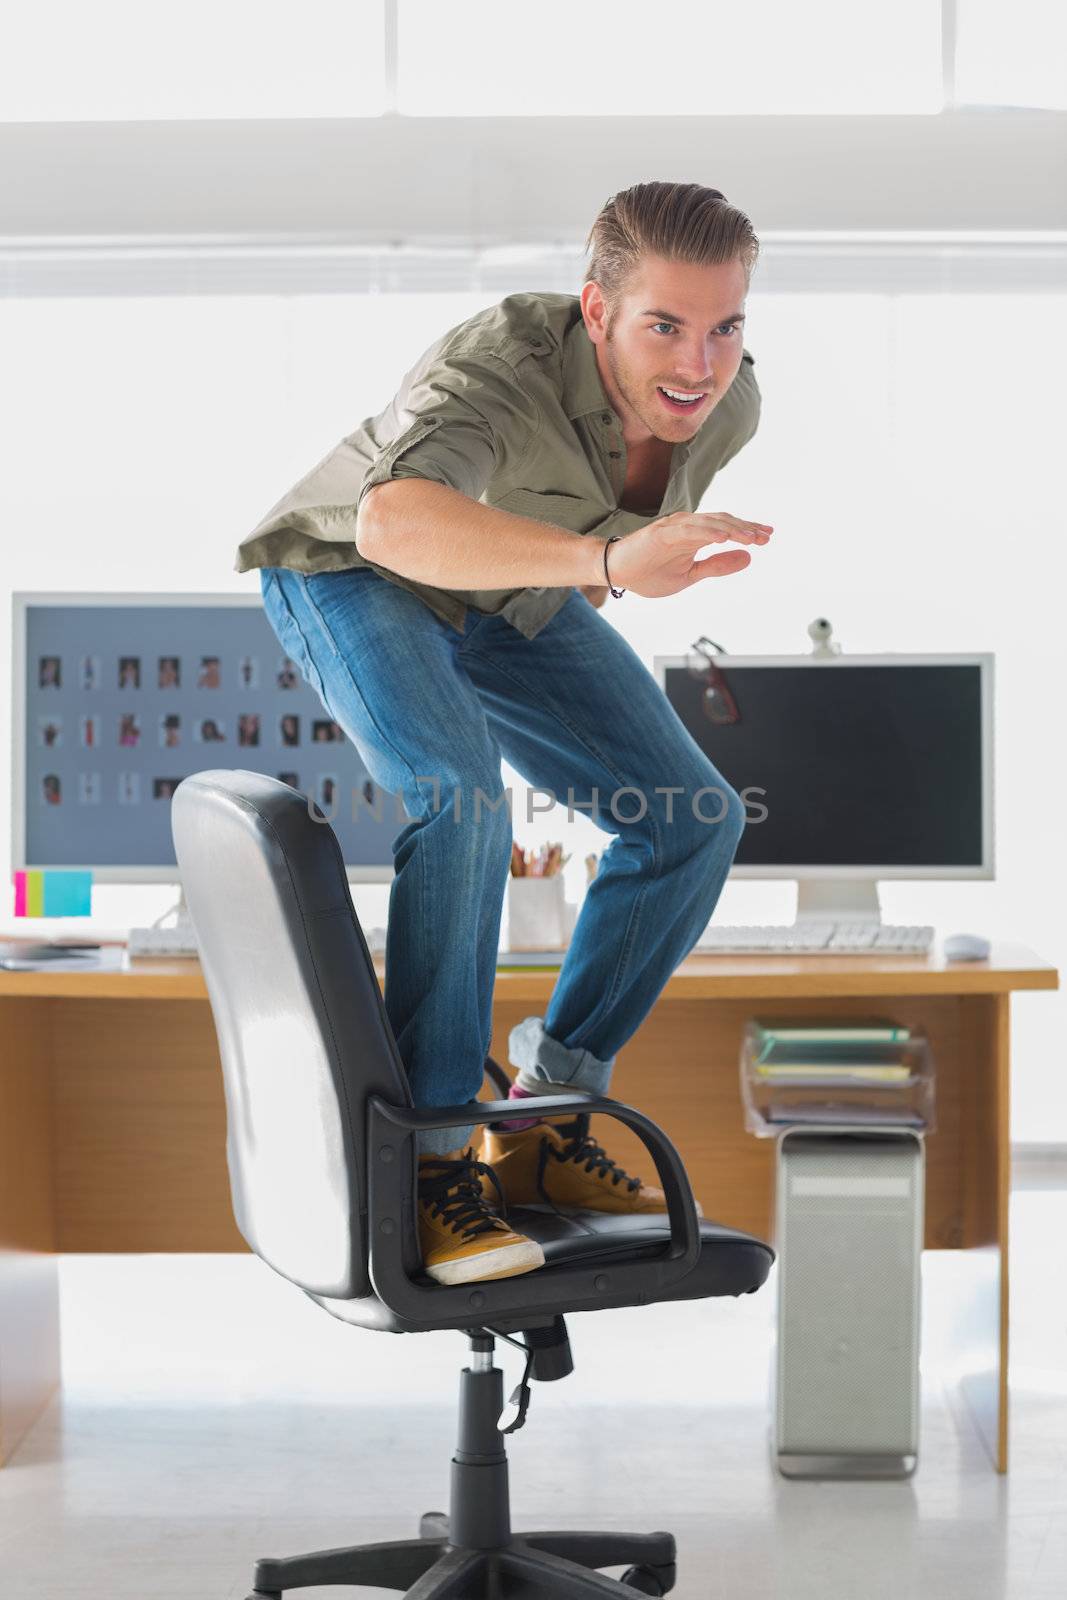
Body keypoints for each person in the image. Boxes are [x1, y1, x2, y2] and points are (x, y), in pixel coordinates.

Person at [237, 180, 774, 1286]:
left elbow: (603, 533)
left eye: (723, 327)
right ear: (593, 311)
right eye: (663, 325)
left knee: (689, 820)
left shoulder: (726, 406)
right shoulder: (496, 362)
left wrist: (611, 570)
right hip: (355, 577)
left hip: (514, 598)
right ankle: (432, 1162)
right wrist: (610, 565)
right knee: (462, 796)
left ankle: (539, 1122)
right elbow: (393, 518)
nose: (697, 362)